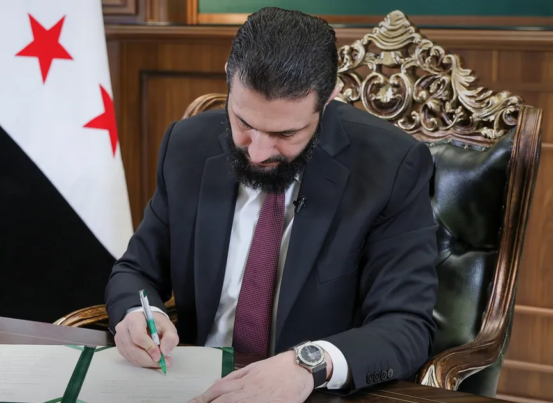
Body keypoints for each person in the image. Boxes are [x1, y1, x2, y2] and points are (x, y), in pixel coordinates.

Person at [104, 7, 438, 402]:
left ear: (328, 99)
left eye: (286, 133)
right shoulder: (186, 145)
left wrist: (308, 366)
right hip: (190, 386)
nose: (258, 153)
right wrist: (139, 315)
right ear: (229, 76)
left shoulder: (392, 166)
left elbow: (407, 326)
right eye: (244, 123)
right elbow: (136, 271)